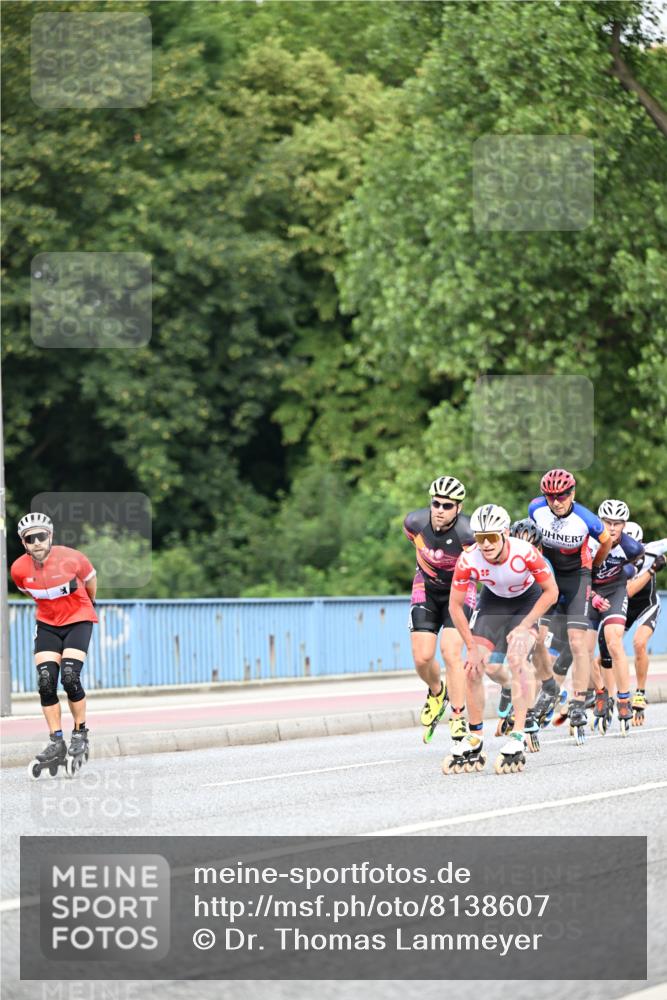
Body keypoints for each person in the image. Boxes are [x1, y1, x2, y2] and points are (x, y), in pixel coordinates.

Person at [448, 504, 558, 774]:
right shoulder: (468, 559)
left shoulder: (525, 552)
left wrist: (525, 626)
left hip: (527, 601)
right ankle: (475, 737)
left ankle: (518, 735)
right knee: (473, 668)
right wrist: (471, 647)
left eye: (491, 537)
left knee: (517, 658)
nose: (485, 544)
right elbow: (455, 606)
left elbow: (551, 592)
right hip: (493, 602)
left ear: (505, 534)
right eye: (480, 537)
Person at [10, 512, 98, 777]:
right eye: (30, 538)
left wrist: (87, 606)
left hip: (78, 619)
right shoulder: (18, 569)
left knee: (70, 677)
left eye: (41, 536)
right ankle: (56, 740)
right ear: (24, 543)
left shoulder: (73, 558)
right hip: (48, 624)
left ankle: (80, 733)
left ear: (50, 536)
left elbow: (91, 582)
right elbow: (30, 592)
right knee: (46, 681)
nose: (36, 542)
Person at [528, 469, 612, 742]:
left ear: (572, 493)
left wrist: (594, 565)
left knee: (577, 642)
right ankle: (549, 688)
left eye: (562, 495)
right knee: (537, 638)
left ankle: (578, 701)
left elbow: (606, 541)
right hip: (549, 575)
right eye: (550, 496)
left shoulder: (586, 519)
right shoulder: (536, 509)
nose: (556, 502)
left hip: (577, 577)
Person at [403, 476, 475, 744]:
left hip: (459, 592)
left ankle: (457, 716)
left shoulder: (468, 534)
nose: (440, 510)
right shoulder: (413, 523)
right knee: (422, 658)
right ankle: (437, 692)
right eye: (436, 504)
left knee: (450, 652)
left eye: (447, 505)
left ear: (459, 507)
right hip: (426, 588)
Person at [587, 500, 644, 735]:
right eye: (607, 522)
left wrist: (629, 571)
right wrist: (592, 596)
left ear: (624, 525)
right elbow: (577, 576)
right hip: (589, 591)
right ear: (599, 522)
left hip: (614, 591)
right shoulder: (588, 542)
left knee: (614, 641)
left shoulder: (632, 548)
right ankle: (601, 692)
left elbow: (633, 568)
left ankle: (623, 698)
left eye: (617, 523)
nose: (612, 527)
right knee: (582, 648)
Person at [601, 520, 665, 726]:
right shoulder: (615, 555)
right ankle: (607, 695)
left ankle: (640, 692)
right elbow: (628, 591)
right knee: (605, 653)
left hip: (647, 605)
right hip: (625, 606)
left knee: (639, 643)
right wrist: (652, 570)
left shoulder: (650, 550)